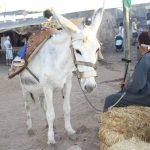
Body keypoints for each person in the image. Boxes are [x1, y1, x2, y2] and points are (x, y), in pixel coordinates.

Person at [104, 31, 150, 112]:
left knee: (110, 100)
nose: (138, 48)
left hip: (146, 97)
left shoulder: (145, 60)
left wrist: (126, 87)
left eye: (138, 45)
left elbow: (136, 86)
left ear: (143, 46)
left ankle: (106, 123)